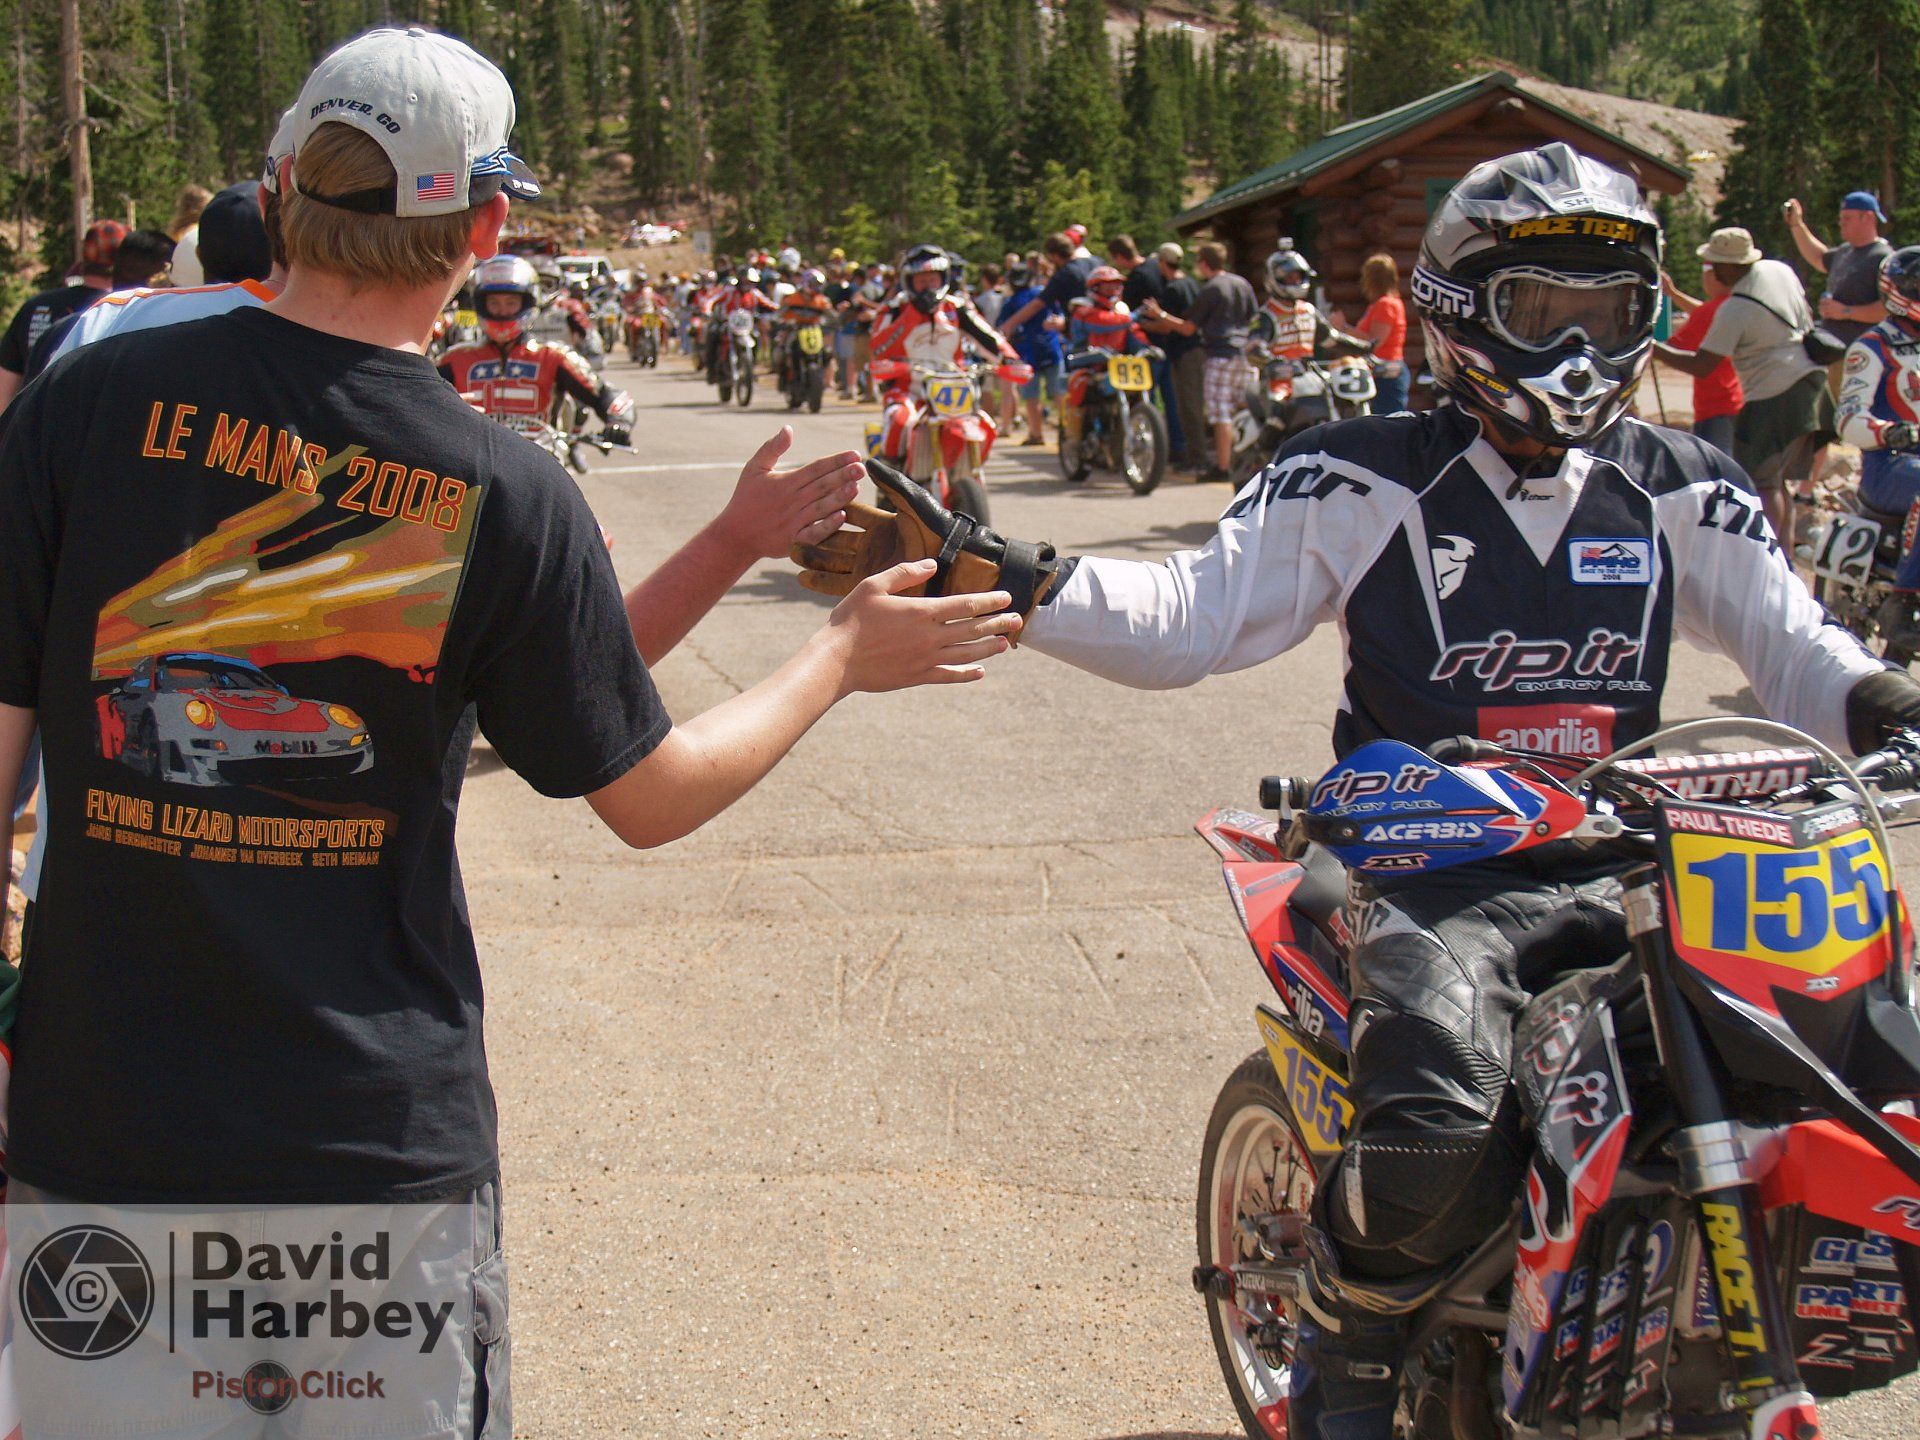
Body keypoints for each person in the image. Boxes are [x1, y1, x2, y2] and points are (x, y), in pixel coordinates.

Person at [792, 143, 1920, 1440]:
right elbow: (1185, 617)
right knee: (1436, 1137)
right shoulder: (1361, 473)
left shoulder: (1683, 487)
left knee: (1842, 1064)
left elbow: (1802, 652)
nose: (1579, 345)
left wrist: (1888, 704)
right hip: (1428, 867)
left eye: (1610, 313)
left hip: (1638, 856)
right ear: (1457, 315)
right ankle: (1349, 1355)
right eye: (1541, 310)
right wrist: (1003, 573)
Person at [0, 28, 1018, 1439]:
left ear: (284, 179)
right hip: (365, 1150)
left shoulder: (79, 407)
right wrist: (839, 658)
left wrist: (726, 537)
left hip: (99, 1134)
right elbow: (642, 790)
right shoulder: (499, 488)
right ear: (483, 226)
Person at [1653, 226, 1832, 548]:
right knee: (1778, 484)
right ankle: (1786, 556)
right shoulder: (1777, 271)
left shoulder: (1738, 307)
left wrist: (1649, 346)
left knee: (1763, 483)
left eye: (1713, 264)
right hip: (1811, 383)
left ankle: (1770, 557)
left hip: (1774, 393)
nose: (1711, 271)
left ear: (1727, 266)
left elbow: (1700, 365)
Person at [440, 254, 635, 440]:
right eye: (494, 303)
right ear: (481, 305)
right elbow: (420, 399)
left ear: (527, 303)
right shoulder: (455, 358)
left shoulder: (553, 356)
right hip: (473, 460)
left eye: (511, 302)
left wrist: (619, 422)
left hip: (540, 456)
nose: (502, 310)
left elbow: (604, 393)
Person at [867, 244, 1020, 463]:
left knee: (985, 425)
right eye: (921, 281)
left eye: (933, 280)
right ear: (910, 282)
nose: (928, 287)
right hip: (908, 387)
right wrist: (907, 320)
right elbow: (877, 347)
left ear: (943, 279)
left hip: (953, 387)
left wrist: (1010, 359)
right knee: (899, 421)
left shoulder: (956, 308)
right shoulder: (893, 309)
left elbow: (987, 336)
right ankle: (890, 485)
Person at [1838, 245, 1920, 651]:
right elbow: (1848, 418)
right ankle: (1903, 603)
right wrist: (1889, 432)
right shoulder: (1872, 347)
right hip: (1889, 465)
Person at [1141, 240, 1257, 481]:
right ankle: (1242, 460)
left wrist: (1159, 315)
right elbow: (1252, 317)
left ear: (1204, 264)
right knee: (1242, 410)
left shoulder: (1212, 288)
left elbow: (1187, 328)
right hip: (1244, 355)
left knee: (1220, 413)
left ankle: (1223, 466)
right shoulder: (1241, 284)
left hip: (1219, 354)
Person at [0, 219, 126, 410]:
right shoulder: (123, 311)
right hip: (89, 430)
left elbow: (4, 391)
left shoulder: (35, 306)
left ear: (84, 259)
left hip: (32, 429)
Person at [1656, 261, 1744, 454]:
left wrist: (1647, 343)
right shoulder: (1736, 306)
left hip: (1714, 407)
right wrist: (1673, 293)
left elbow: (1672, 348)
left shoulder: (1708, 313)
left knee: (1715, 467)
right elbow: (1702, 311)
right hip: (1738, 402)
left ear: (1713, 276)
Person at [1784, 191, 1893, 347]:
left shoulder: (1883, 257)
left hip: (1864, 353)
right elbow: (1818, 257)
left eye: (1847, 218)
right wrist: (1796, 225)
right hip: (1834, 349)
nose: (1841, 223)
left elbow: (1889, 309)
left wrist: (1845, 312)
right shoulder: (1845, 251)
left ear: (1868, 217)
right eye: (1841, 218)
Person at [1003, 260, 1066, 446]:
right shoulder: (1042, 294)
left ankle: (1036, 434)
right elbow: (1059, 316)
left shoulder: (1011, 302)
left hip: (1027, 353)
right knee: (1059, 393)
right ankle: (1069, 430)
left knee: (1032, 396)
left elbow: (1004, 329)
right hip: (1051, 347)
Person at [1346, 252, 1409, 413]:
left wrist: (1343, 328)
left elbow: (1375, 341)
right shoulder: (1382, 304)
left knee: (1388, 423)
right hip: (1380, 371)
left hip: (1387, 371)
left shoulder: (1385, 304)